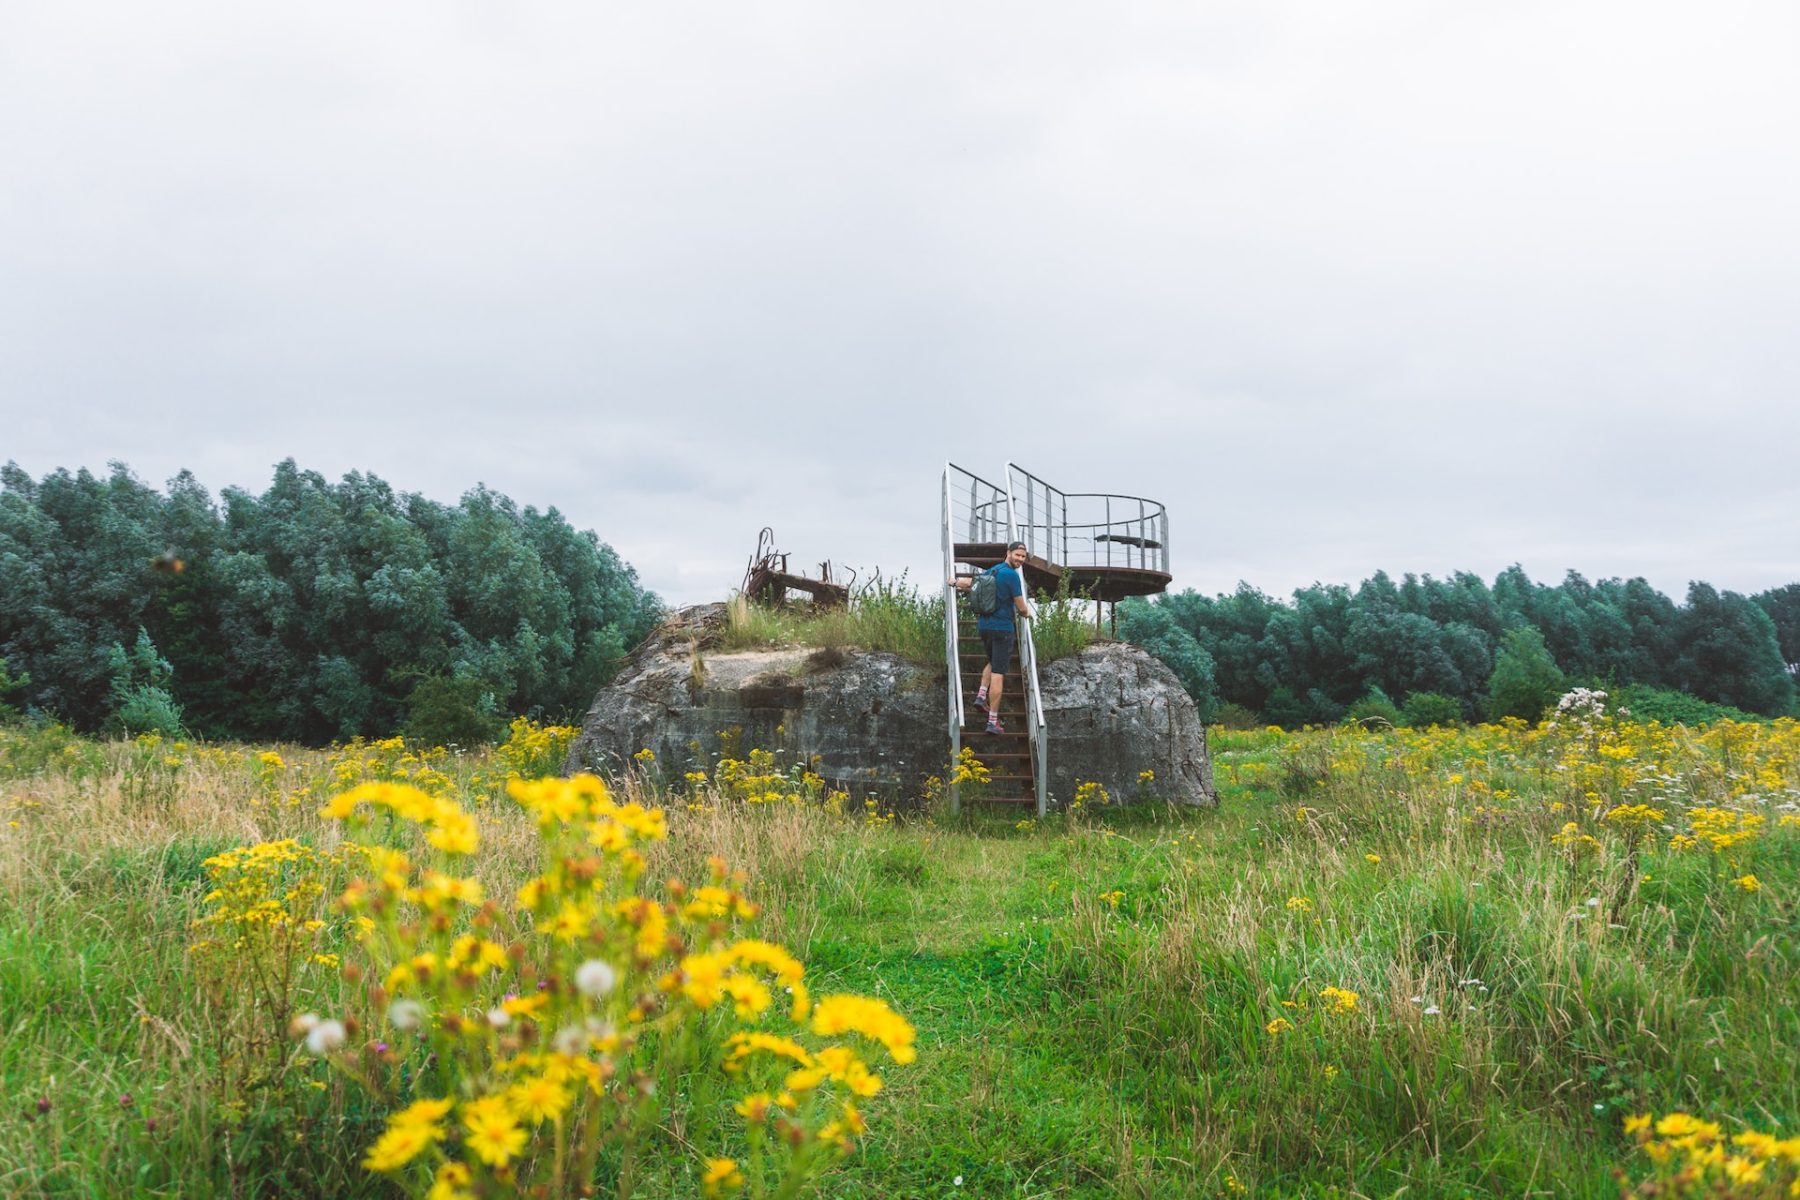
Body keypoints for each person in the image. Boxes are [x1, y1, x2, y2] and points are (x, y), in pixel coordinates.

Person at [950, 540, 1032, 734]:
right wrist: (1028, 614)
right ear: (1008, 553)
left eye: (1023, 557)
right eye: (1018, 555)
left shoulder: (993, 570)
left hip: (984, 626)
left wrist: (955, 582)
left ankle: (981, 696)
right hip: (1002, 629)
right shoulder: (1012, 575)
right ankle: (993, 721)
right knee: (998, 673)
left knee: (993, 661)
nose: (1020, 559)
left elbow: (971, 582)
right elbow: (1021, 607)